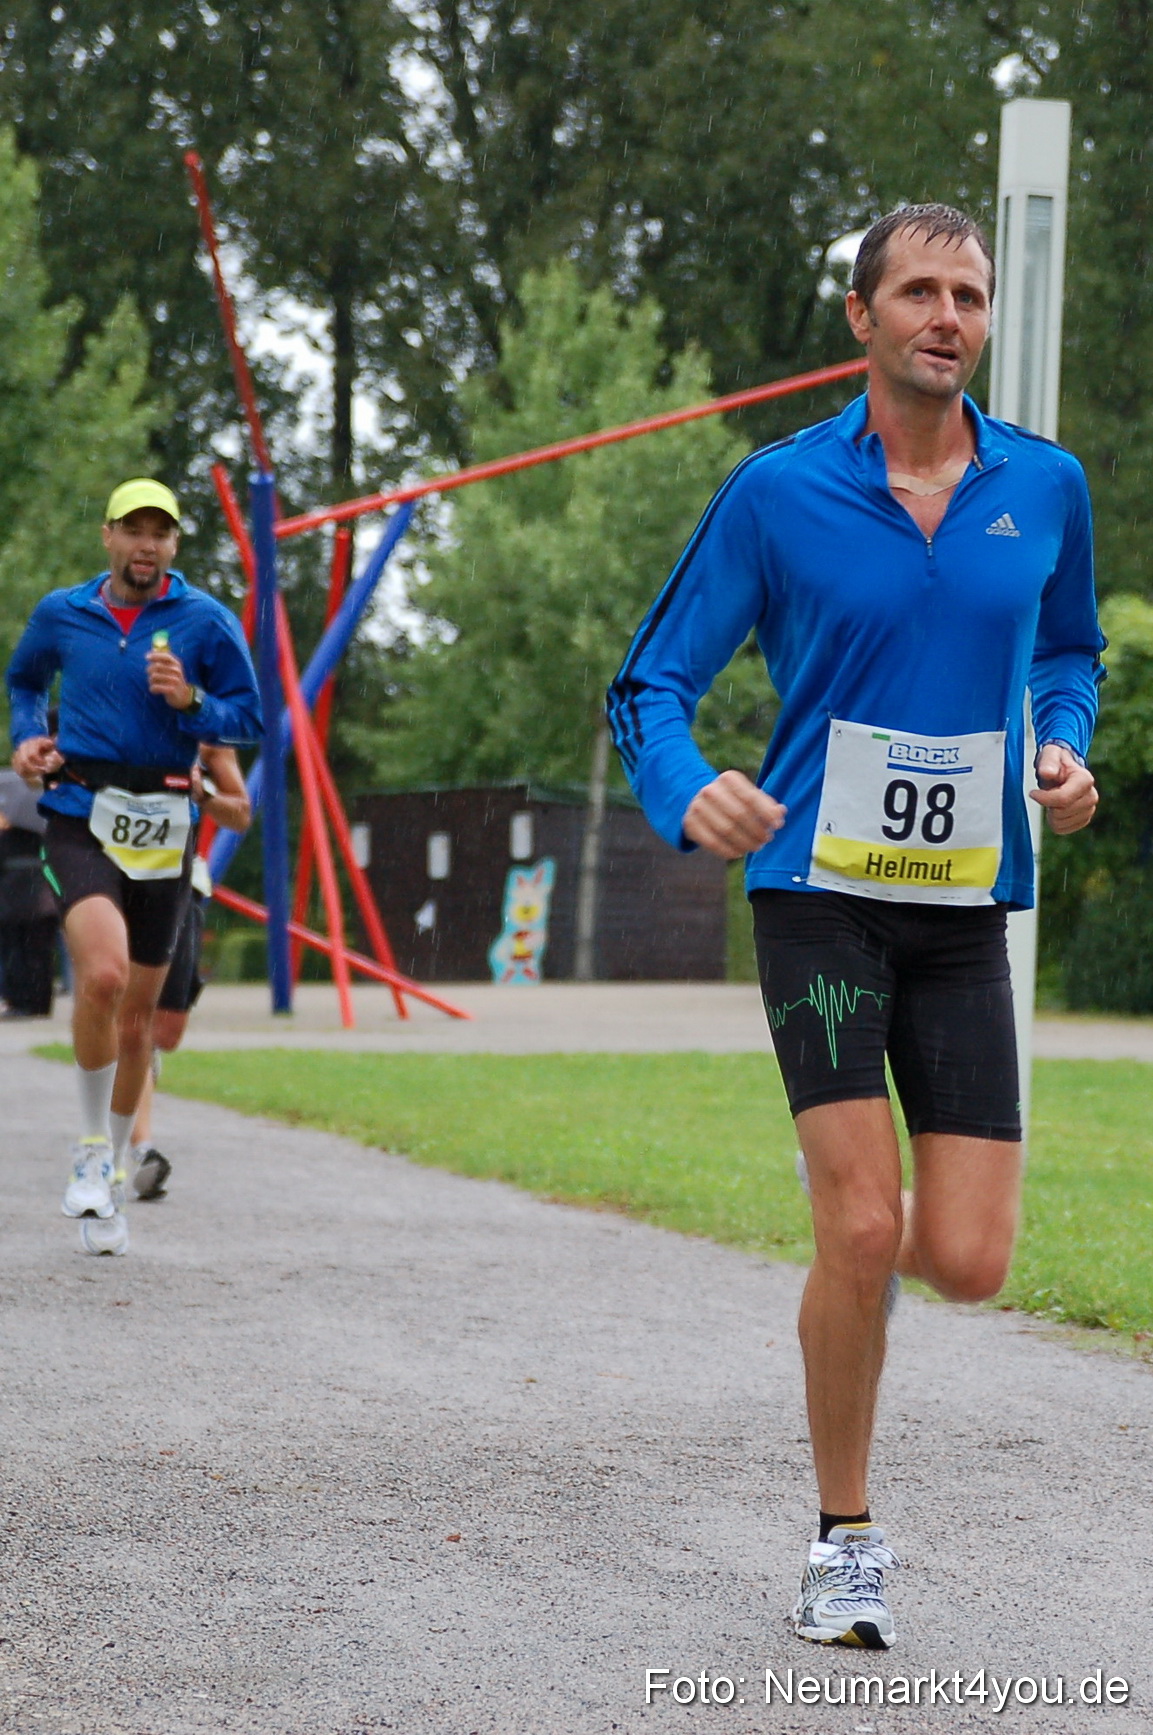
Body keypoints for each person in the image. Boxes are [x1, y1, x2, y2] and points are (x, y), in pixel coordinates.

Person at [607, 204, 1103, 1649]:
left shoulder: (1047, 487)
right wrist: (686, 788)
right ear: (861, 316)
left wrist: (1063, 750)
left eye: (968, 294)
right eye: (919, 292)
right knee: (862, 1218)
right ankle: (844, 1536)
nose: (946, 315)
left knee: (964, 1256)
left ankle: (852, 1309)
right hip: (818, 896)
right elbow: (652, 684)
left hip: (963, 912)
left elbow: (1065, 649)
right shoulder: (777, 492)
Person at [7, 478, 262, 1255]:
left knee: (140, 1021)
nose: (146, 544)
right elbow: (23, 680)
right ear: (108, 536)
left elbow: (248, 715)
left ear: (175, 545)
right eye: (133, 529)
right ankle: (88, 1150)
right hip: (80, 811)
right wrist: (26, 739)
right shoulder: (63, 613)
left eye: (162, 532)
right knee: (106, 978)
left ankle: (111, 1170)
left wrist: (191, 703)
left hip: (166, 824)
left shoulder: (204, 621)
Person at [129, 744, 252, 1201]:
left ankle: (139, 1064)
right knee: (134, 1019)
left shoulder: (208, 737)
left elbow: (240, 815)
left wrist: (203, 794)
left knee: (166, 1030)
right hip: (113, 879)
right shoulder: (107, 712)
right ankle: (143, 1149)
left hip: (179, 885)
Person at [0, 768, 58, 1017]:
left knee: (22, 951)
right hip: (40, 898)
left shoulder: (13, 836)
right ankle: (37, 1001)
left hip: (20, 899)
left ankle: (25, 1000)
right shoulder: (41, 831)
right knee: (36, 952)